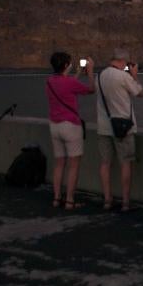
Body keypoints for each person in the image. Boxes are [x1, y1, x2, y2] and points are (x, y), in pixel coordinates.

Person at [96, 48, 143, 212]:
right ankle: (125, 202)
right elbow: (140, 93)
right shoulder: (123, 76)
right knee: (125, 164)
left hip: (104, 127)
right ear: (123, 61)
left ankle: (107, 200)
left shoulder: (99, 76)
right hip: (123, 127)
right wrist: (134, 74)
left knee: (105, 163)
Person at [45, 52, 95, 210]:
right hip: (71, 126)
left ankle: (56, 198)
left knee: (59, 164)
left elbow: (66, 84)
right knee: (73, 165)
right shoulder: (69, 83)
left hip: (54, 126)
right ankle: (70, 201)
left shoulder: (49, 81)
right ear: (66, 65)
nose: (72, 65)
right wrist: (91, 72)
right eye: (70, 63)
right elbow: (91, 89)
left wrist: (79, 73)